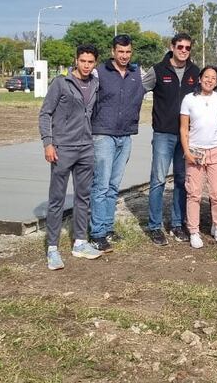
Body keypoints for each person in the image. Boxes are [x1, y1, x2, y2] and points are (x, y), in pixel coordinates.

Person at [38, 44, 102, 269]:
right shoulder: (61, 83)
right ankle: (53, 248)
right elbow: (45, 113)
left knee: (83, 197)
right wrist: (48, 143)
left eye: (90, 62)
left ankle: (80, 242)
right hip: (63, 148)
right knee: (56, 199)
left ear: (95, 63)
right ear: (76, 60)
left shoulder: (95, 83)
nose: (86, 65)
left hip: (86, 148)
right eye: (82, 61)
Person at [89, 34, 145, 253]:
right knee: (101, 185)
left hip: (125, 135)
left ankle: (108, 226)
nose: (124, 56)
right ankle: (97, 233)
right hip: (103, 134)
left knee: (113, 186)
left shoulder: (136, 73)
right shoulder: (99, 73)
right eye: (120, 52)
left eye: (128, 52)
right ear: (113, 51)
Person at [142, 33, 200, 246]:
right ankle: (155, 226)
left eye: (187, 47)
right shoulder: (157, 70)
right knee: (158, 180)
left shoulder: (196, 72)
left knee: (181, 180)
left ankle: (177, 224)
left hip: (187, 136)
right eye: (180, 47)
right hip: (163, 134)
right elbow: (138, 90)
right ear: (172, 47)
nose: (183, 50)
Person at [179, 66, 217, 249]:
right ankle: (194, 231)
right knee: (194, 193)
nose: (209, 80)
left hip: (216, 150)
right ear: (199, 79)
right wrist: (188, 151)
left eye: (213, 78)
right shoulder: (189, 99)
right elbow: (184, 128)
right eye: (206, 76)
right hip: (195, 150)